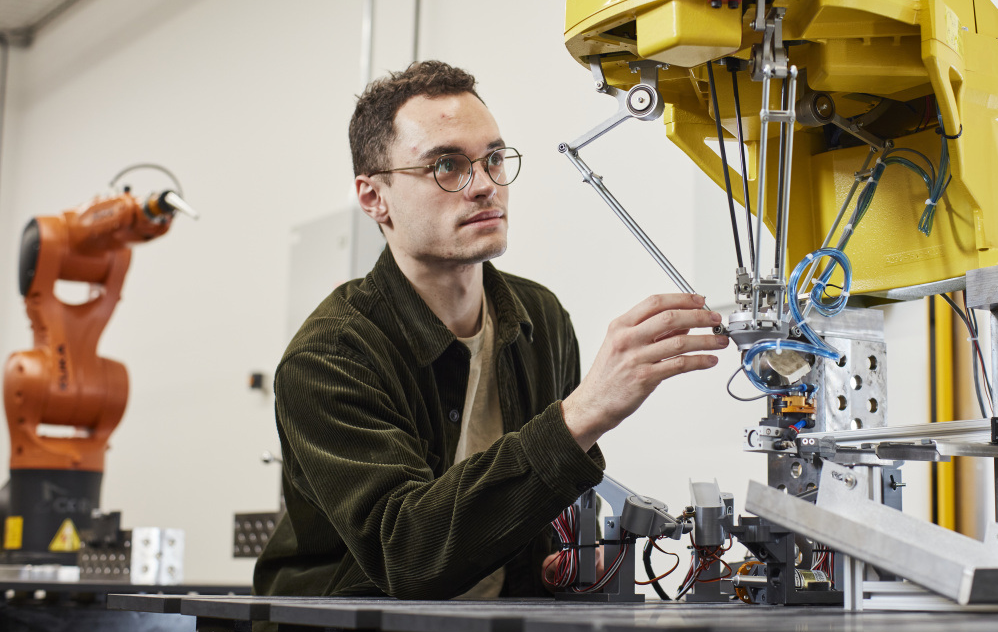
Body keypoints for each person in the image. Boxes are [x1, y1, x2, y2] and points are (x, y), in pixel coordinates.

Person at [253, 60, 728, 599]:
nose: (484, 186)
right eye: (446, 165)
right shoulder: (330, 357)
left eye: (494, 159)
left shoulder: (540, 318)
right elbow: (407, 555)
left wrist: (562, 563)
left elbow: (544, 514)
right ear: (373, 198)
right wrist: (583, 413)